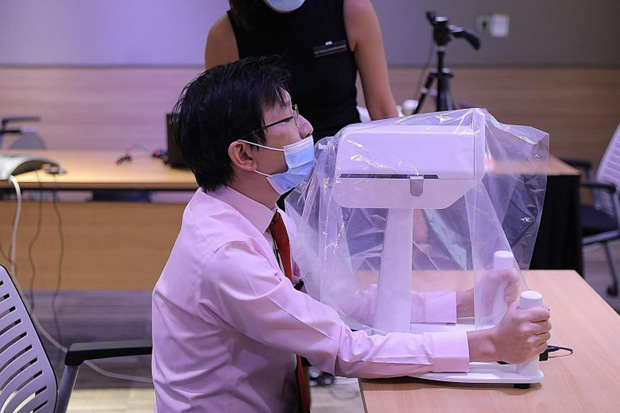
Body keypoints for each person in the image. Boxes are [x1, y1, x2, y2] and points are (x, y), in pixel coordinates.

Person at [151, 57, 552, 412]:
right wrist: (488, 345)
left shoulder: (261, 214)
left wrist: (463, 303)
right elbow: (342, 348)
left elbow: (349, 303)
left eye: (297, 112)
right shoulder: (227, 254)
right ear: (243, 154)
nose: (305, 127)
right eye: (288, 119)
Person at [205, 0, 398, 142]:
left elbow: (383, 110)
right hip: (271, 174)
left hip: (344, 164)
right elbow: (225, 130)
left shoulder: (351, 9)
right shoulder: (226, 35)